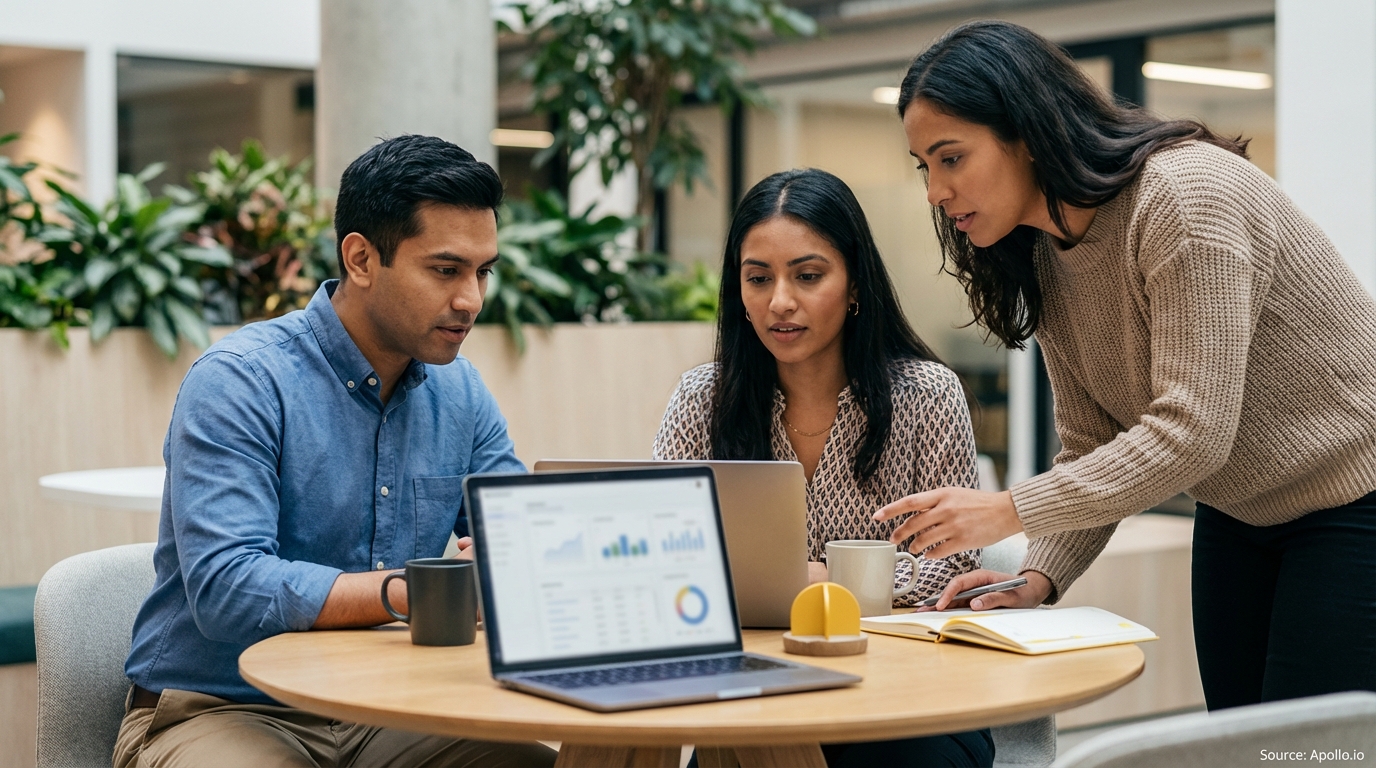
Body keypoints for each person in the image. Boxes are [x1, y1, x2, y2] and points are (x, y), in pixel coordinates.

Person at [873, 19, 1376, 712]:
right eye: (924, 166)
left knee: (1318, 756)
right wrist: (1040, 574)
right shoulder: (1047, 255)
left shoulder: (1182, 198)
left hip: (1355, 503)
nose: (933, 191)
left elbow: (1191, 431)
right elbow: (1093, 445)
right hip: (1238, 514)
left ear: (1025, 134)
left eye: (950, 158)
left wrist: (1006, 510)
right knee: (1243, 748)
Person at [115, 136, 557, 768]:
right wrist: (410, 592)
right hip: (223, 707)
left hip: (385, 710)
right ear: (360, 258)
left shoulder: (460, 391)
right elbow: (228, 589)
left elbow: (516, 538)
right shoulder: (241, 379)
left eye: (482, 272)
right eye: (445, 270)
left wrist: (514, 558)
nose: (471, 301)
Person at [655, 168, 993, 768]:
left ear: (855, 283)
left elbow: (956, 574)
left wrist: (821, 584)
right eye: (758, 279)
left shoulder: (926, 395)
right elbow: (662, 553)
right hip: (751, 700)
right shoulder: (702, 400)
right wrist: (837, 583)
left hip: (904, 703)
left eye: (808, 276)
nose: (779, 301)